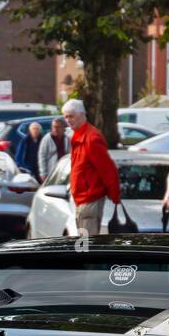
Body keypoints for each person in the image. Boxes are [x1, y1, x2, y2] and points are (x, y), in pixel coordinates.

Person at [62, 99, 121, 236]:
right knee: (84, 242)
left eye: (71, 116)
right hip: (83, 198)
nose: (68, 120)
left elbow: (107, 169)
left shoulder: (91, 138)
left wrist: (114, 194)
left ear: (82, 115)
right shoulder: (79, 136)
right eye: (65, 117)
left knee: (86, 244)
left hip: (89, 198)